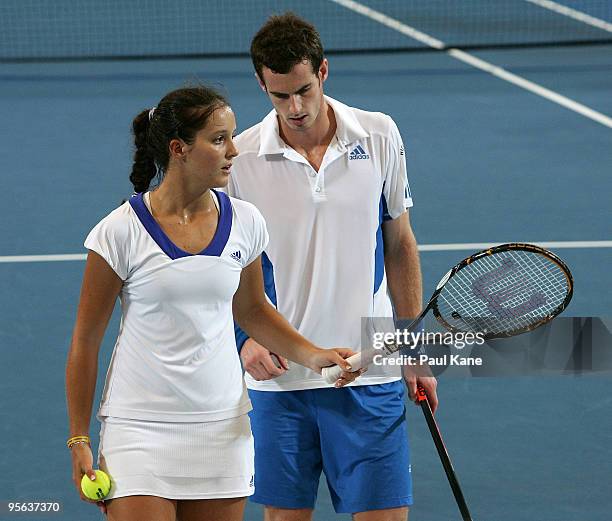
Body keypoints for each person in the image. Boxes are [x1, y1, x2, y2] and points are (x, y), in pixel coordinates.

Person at [65, 86, 361, 521]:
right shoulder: (119, 232)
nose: (234, 151)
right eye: (219, 139)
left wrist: (314, 355)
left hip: (222, 431)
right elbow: (84, 343)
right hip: (139, 431)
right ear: (178, 148)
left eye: (233, 136)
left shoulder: (245, 221)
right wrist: (79, 438)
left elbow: (254, 311)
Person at [227, 13, 439, 521]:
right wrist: (244, 338)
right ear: (261, 83)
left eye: (303, 90)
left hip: (368, 368)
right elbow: (223, 263)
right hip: (279, 381)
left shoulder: (380, 133)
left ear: (323, 71)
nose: (295, 108)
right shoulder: (241, 158)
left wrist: (413, 347)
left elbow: (401, 244)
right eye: (280, 96)